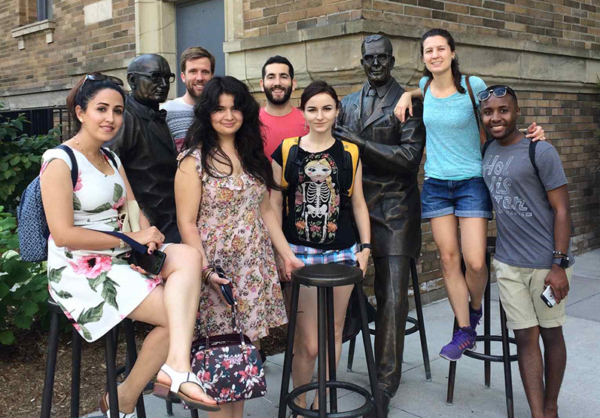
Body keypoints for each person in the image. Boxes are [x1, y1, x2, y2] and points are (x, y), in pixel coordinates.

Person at [40, 74, 218, 418]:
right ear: (80, 112)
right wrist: (129, 239)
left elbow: (132, 209)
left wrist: (147, 234)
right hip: (80, 266)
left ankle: (173, 369)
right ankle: (133, 392)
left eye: (118, 111)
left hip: (121, 254)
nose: (111, 119)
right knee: (177, 315)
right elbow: (63, 234)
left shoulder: (112, 158)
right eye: (101, 109)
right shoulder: (59, 161)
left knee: (188, 255)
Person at [393, 29, 545, 363]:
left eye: (440, 49)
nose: (435, 55)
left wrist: (531, 134)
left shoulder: (472, 86)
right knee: (449, 259)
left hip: (471, 183)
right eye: (428, 50)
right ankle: (464, 330)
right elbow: (416, 91)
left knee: (475, 262)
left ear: (452, 52)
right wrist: (407, 96)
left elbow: (498, 117)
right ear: (423, 57)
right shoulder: (424, 88)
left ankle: (474, 310)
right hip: (435, 184)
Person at [175, 76, 304, 418]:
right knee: (219, 359)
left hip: (254, 265)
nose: (228, 116)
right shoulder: (194, 159)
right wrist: (203, 270)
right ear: (207, 113)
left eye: (234, 108)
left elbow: (264, 211)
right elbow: (186, 222)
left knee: (245, 355)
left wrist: (287, 254)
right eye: (219, 109)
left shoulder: (252, 155)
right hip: (216, 268)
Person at [333, 34, 425, 416]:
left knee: (392, 297)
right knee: (337, 280)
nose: (375, 64)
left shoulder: (407, 103)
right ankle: (359, 317)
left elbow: (408, 159)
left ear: (392, 60)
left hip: (394, 210)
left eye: (382, 58)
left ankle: (385, 384)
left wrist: (360, 143)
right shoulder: (348, 103)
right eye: (369, 58)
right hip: (354, 210)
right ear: (361, 60)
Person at [270, 80, 372, 414]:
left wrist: (366, 247)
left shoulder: (349, 152)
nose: (320, 115)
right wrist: (281, 252)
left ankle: (322, 401)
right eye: (312, 109)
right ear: (303, 111)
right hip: (299, 254)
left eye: (327, 108)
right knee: (309, 343)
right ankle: (299, 402)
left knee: (334, 333)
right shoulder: (287, 151)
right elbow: (272, 208)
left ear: (337, 111)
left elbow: (357, 203)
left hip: (342, 252)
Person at [480, 85, 573, 418]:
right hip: (507, 263)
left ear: (517, 112)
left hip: (544, 263)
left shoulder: (540, 151)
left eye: (503, 110)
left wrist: (559, 264)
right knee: (524, 339)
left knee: (551, 334)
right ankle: (537, 414)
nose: (496, 117)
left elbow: (562, 209)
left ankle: (551, 407)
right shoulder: (487, 149)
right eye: (489, 112)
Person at [107, 54, 181, 243]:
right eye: (155, 77)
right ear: (132, 80)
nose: (164, 84)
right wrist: (140, 214)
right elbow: (108, 170)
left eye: (167, 77)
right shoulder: (125, 118)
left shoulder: (155, 114)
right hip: (146, 226)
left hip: (169, 221)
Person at [162, 46, 215, 152]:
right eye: (193, 71)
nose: (199, 78)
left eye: (205, 72)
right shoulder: (166, 112)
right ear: (183, 76)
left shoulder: (221, 111)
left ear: (212, 76)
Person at [259, 55, 309, 161]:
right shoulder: (251, 121)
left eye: (283, 77)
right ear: (262, 85)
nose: (277, 83)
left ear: (293, 83)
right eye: (271, 77)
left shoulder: (308, 120)